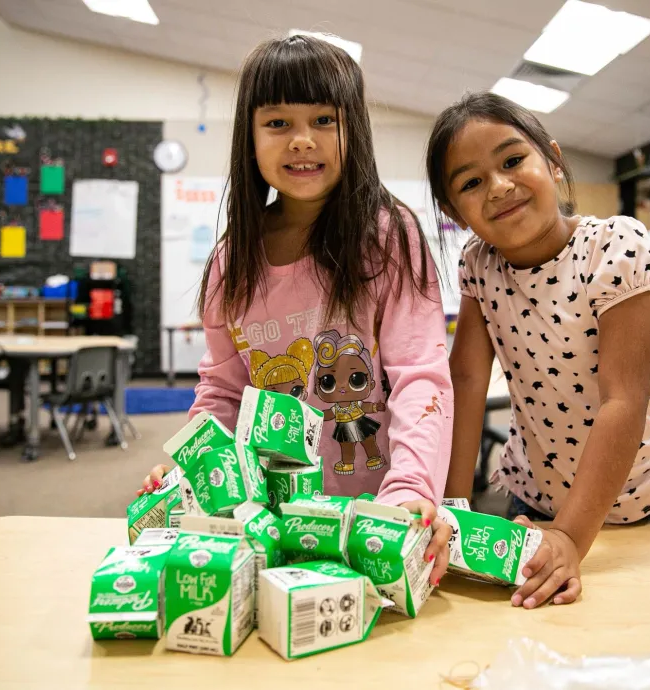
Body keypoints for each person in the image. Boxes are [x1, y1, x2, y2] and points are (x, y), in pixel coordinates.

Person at [137, 35, 453, 586]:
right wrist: (190, 468)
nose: (302, 140)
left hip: (378, 517)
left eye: (324, 120)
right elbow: (224, 393)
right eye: (278, 123)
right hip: (273, 525)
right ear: (250, 137)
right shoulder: (232, 260)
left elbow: (419, 376)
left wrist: (410, 488)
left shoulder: (388, 236)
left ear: (355, 129)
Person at [427, 92, 650, 609]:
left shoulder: (616, 248)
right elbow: (467, 381)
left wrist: (571, 536)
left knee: (634, 630)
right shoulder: (479, 264)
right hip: (532, 502)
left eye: (512, 161)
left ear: (552, 160)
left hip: (636, 502)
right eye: (471, 183)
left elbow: (624, 400)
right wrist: (454, 511)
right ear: (453, 211)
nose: (499, 186)